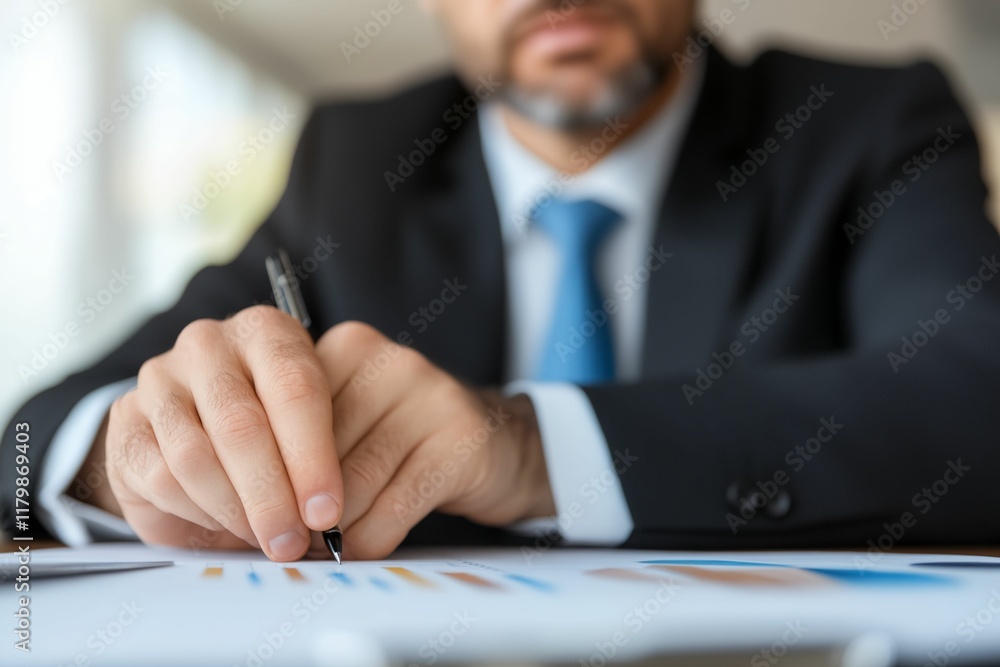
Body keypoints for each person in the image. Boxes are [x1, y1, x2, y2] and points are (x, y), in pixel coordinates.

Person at [4, 0, 1000, 562]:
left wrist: (527, 447)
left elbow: (976, 396)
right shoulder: (358, 161)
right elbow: (25, 442)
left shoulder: (863, 125)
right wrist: (125, 455)